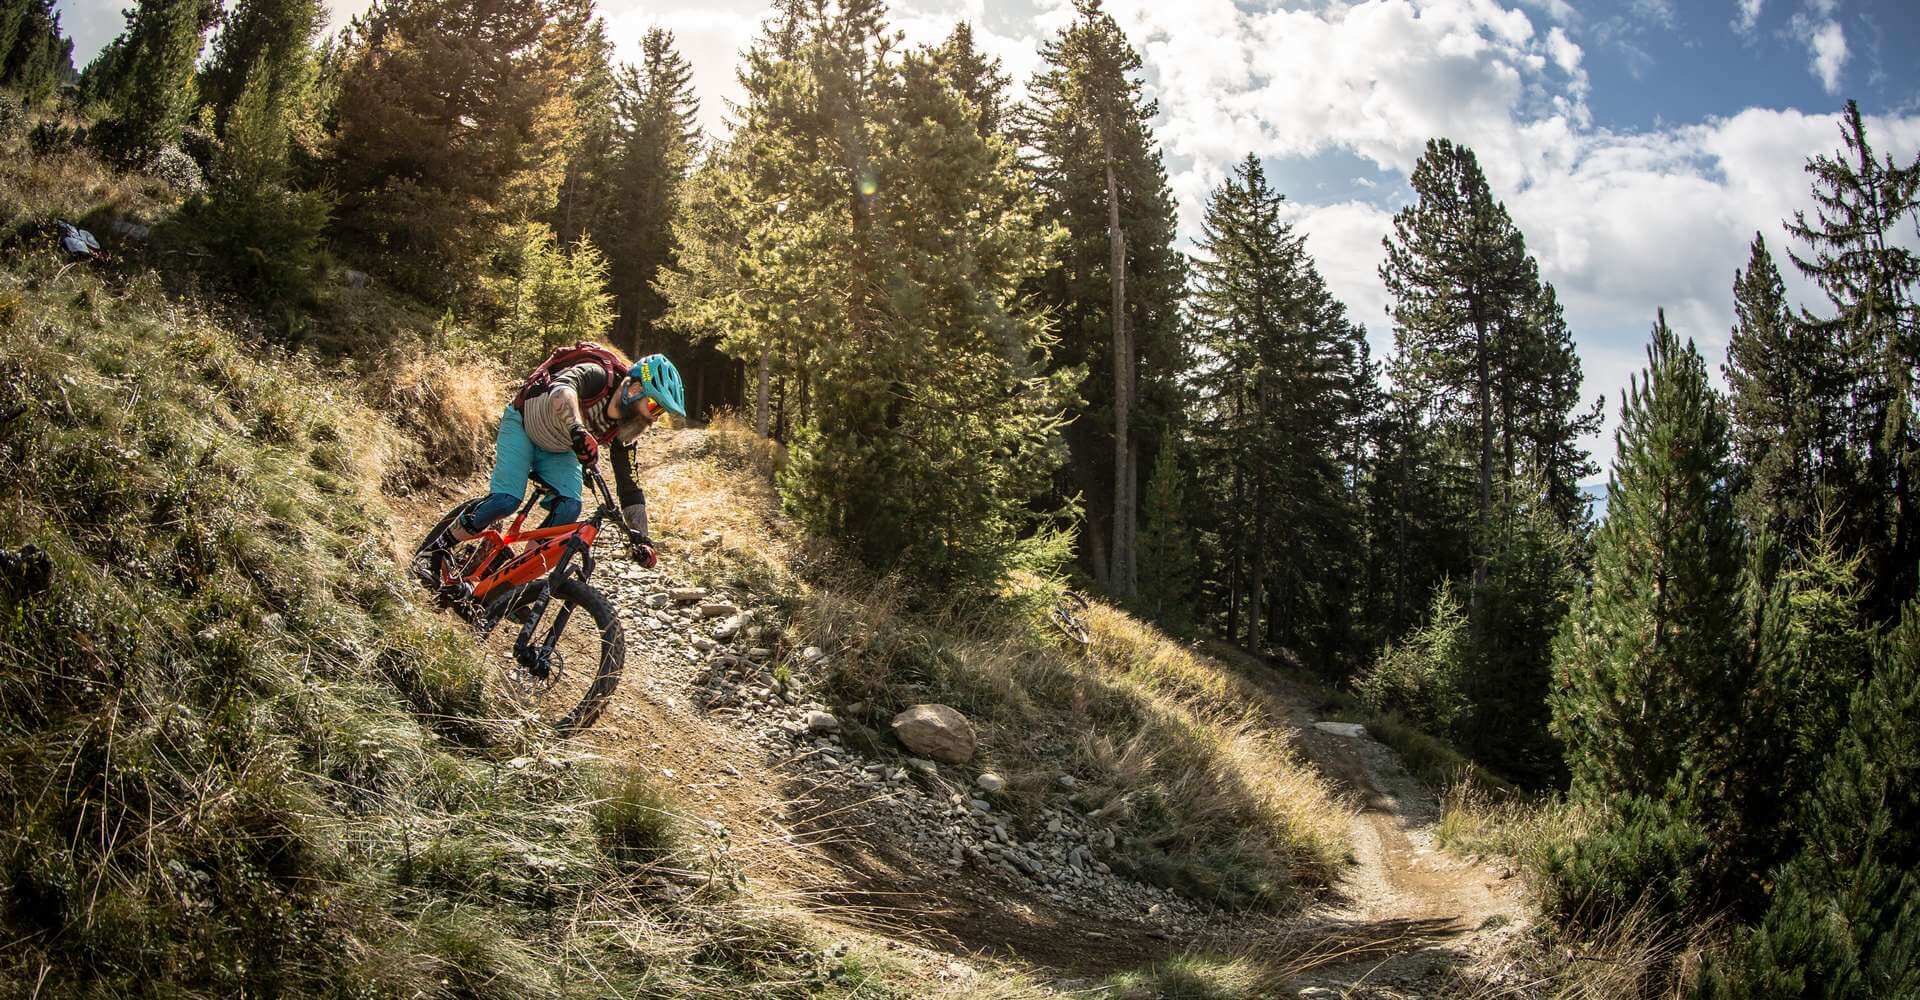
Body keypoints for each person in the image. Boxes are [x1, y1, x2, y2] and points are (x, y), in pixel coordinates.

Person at [421, 347, 687, 586]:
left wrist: (641, 538)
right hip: (523, 425)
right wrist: (578, 428)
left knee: (569, 506)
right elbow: (562, 389)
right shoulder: (598, 376)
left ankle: (510, 583)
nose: (652, 417)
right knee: (505, 501)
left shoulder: (624, 431)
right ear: (635, 388)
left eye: (659, 412)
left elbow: (630, 487)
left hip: (559, 450)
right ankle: (432, 552)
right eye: (653, 405)